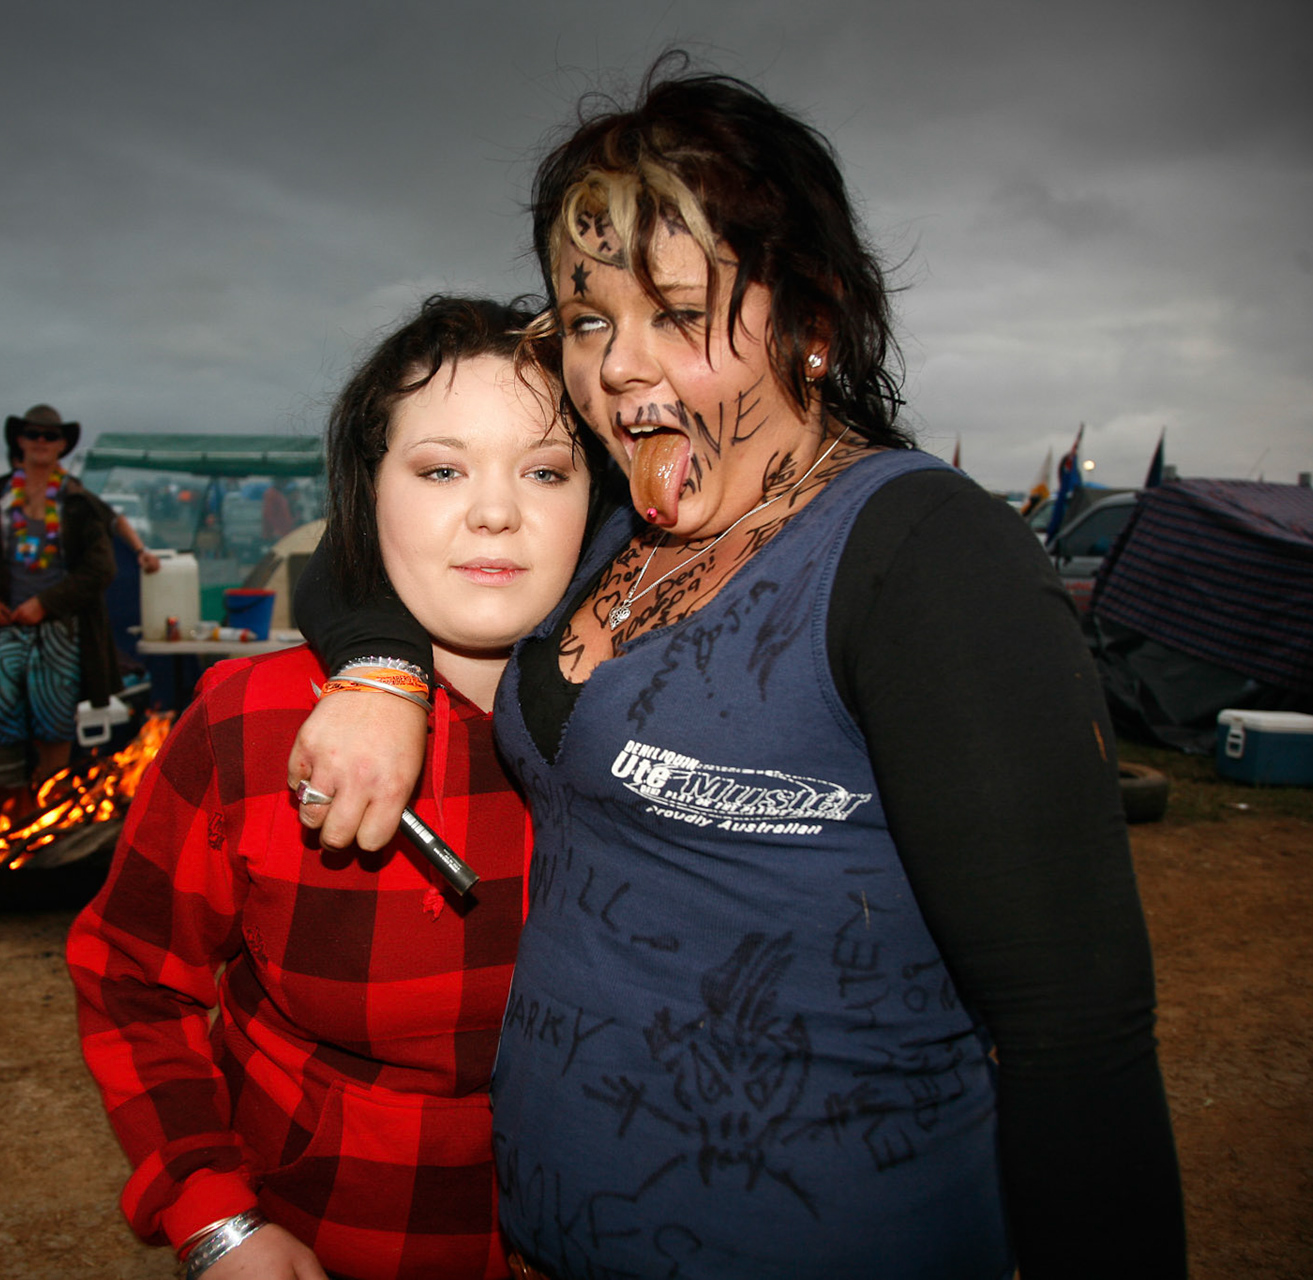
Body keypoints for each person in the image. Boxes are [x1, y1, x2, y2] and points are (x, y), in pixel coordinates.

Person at [289, 64, 1185, 1279]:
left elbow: (1077, 1032)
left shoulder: (921, 557)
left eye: (677, 310)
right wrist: (383, 678)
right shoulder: (613, 524)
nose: (615, 368)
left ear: (812, 327)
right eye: (592, 318)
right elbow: (374, 530)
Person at [67, 296, 591, 1280]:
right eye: (441, 468)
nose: (494, 509)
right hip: (331, 1241)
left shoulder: (657, 726)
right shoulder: (250, 722)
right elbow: (130, 978)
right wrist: (216, 1218)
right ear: (367, 490)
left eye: (547, 469)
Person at [0, 405, 118, 854]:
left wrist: (47, 603)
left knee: (54, 731)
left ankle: (45, 827)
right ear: (19, 440)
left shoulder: (77, 502)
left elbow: (101, 568)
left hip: (60, 630)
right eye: (33, 433)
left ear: (62, 444)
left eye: (51, 435)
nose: (41, 441)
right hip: (7, 629)